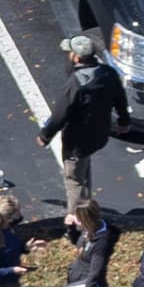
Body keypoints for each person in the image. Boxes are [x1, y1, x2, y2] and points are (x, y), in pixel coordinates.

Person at [35, 35, 129, 210]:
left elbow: (60, 114)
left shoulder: (76, 82)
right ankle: (87, 208)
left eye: (70, 53)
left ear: (77, 57)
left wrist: (45, 135)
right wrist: (124, 121)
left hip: (77, 141)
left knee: (75, 181)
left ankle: (79, 222)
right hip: (99, 133)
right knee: (83, 168)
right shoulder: (108, 73)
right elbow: (120, 100)